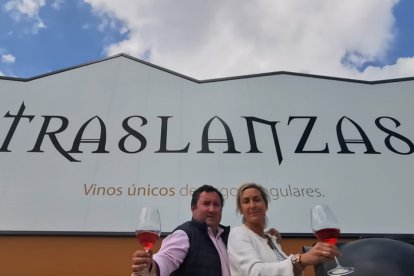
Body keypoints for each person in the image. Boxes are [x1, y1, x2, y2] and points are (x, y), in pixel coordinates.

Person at [228, 182, 341, 276]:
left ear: (266, 205)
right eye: (246, 201)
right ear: (240, 210)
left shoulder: (272, 239)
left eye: (257, 199)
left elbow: (287, 271)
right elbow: (254, 272)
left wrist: (305, 262)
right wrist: (301, 259)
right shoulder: (238, 234)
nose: (252, 205)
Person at [131, 184, 230, 276]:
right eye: (206, 204)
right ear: (193, 208)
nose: (211, 209)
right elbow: (166, 259)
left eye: (216, 204)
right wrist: (150, 266)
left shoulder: (229, 236)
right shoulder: (184, 234)